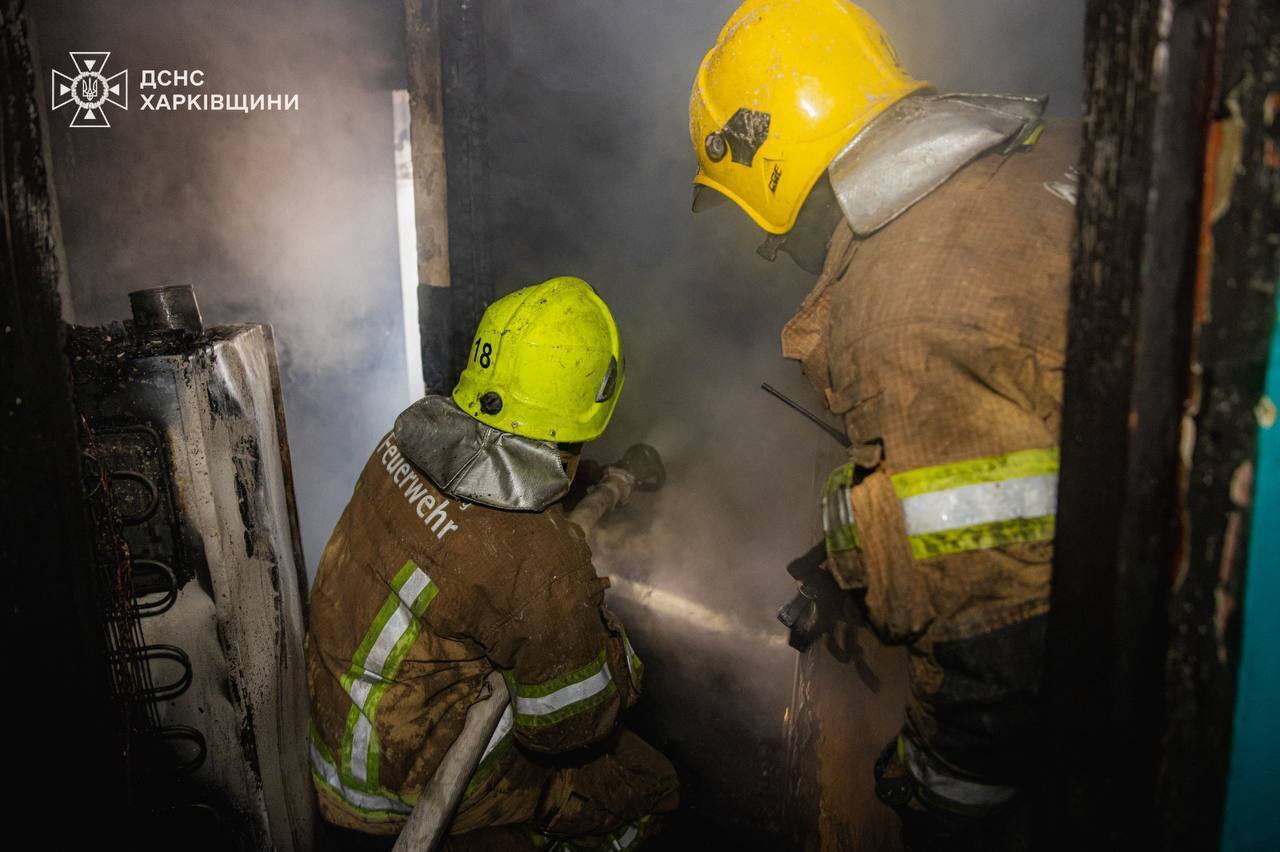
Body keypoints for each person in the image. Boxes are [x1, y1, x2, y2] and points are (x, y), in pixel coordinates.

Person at [689, 1, 1078, 848]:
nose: (774, 254)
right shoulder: (1044, 154)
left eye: (768, 229)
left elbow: (1000, 644)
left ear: (788, 184)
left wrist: (933, 802)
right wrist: (867, 546)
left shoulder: (904, 316)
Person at [306, 276, 678, 851]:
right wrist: (612, 650)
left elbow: (480, 519)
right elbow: (569, 726)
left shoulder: (401, 444)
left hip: (330, 741)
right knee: (648, 786)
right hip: (402, 795)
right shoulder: (538, 563)